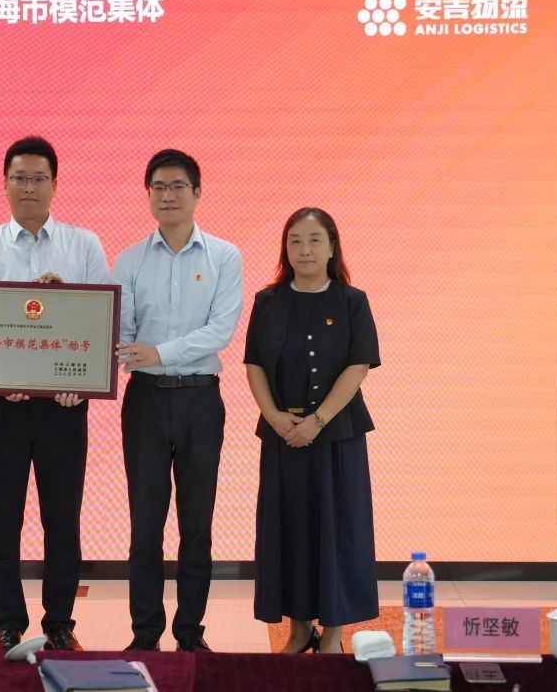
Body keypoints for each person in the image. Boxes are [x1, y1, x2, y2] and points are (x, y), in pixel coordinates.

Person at [0, 135, 111, 651]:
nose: (29, 187)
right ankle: (7, 623)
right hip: (1, 407)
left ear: (54, 185)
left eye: (38, 178)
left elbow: (99, 323)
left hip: (63, 405)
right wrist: (0, 378)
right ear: (4, 184)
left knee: (62, 519)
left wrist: (65, 303)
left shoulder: (83, 245)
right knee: (2, 517)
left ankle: (60, 622)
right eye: (19, 178)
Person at [113, 149, 243, 652]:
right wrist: (135, 353)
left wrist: (159, 352)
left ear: (197, 193)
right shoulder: (130, 260)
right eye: (159, 187)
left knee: (197, 523)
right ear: (148, 195)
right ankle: (145, 634)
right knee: (145, 524)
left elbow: (220, 331)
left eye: (178, 186)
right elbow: (122, 335)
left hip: (200, 401)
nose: (168, 196)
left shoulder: (224, 256)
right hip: (144, 401)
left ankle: (190, 633)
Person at [243, 207, 381, 654]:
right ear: (285, 248)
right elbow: (254, 364)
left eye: (315, 240)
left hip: (337, 435)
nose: (305, 249)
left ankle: (334, 634)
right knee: (290, 530)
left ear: (332, 247)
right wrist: (275, 417)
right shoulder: (268, 301)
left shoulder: (351, 300)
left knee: (337, 529)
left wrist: (318, 421)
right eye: (295, 240)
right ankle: (299, 629)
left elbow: (358, 366)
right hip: (283, 436)